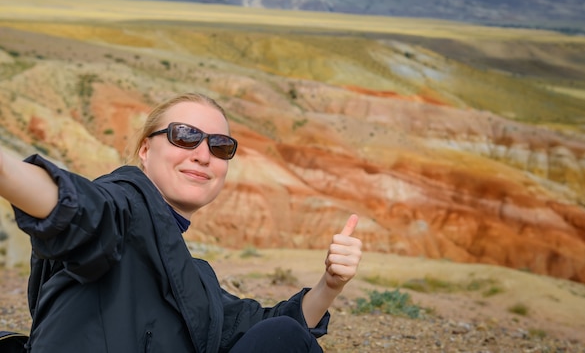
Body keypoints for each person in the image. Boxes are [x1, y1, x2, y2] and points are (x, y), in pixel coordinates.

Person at [0, 92, 362, 352]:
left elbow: (260, 329)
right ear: (145, 150)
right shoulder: (124, 207)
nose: (203, 155)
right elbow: (78, 207)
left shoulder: (191, 274)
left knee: (284, 333)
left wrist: (330, 283)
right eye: (184, 136)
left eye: (220, 146)